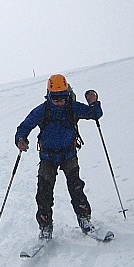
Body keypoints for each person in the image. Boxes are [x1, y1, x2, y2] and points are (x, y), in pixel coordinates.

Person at [15, 74, 102, 240]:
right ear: (49, 95)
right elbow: (24, 126)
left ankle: (84, 219)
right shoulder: (42, 110)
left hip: (69, 154)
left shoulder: (72, 107)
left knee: (76, 188)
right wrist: (21, 139)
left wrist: (94, 101)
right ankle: (45, 227)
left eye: (63, 96)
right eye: (55, 97)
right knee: (44, 192)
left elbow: (94, 114)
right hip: (48, 157)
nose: (59, 101)